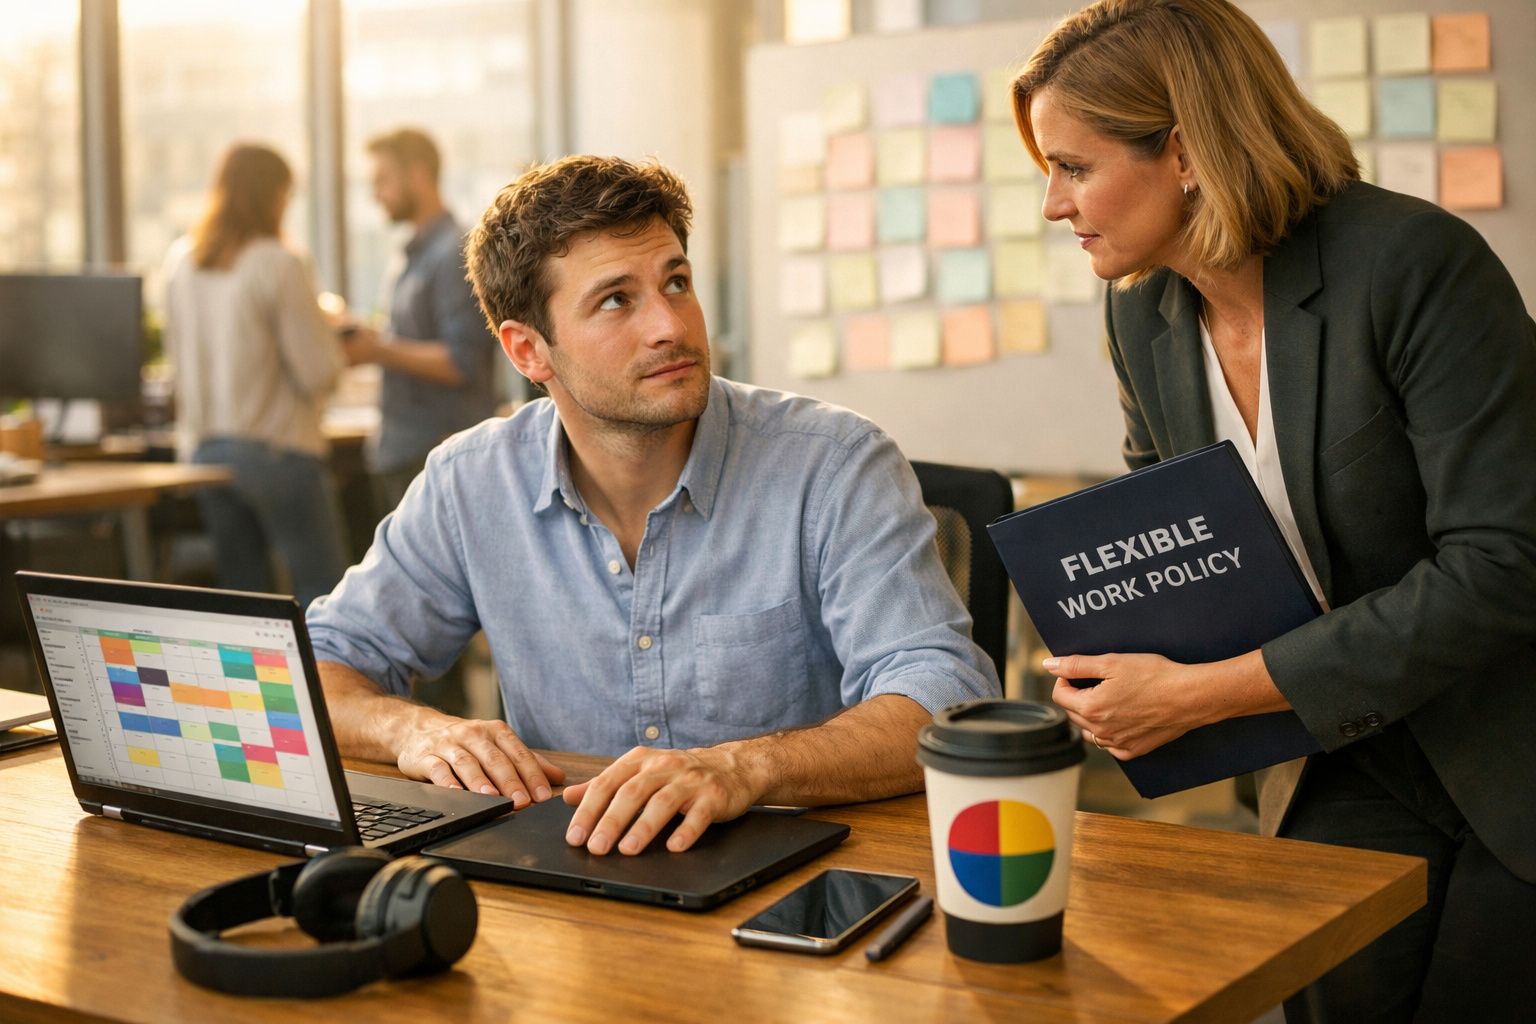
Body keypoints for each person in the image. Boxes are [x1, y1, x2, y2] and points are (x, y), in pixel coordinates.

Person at [1011, 2, 1536, 1020]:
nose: (1051, 203)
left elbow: (1506, 563)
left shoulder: (1414, 265)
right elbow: (1175, 545)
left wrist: (1201, 693)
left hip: (1499, 760)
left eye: (1074, 167)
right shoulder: (1142, 312)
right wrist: (1111, 665)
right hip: (1317, 759)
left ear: (1185, 150)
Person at [306, 155, 999, 859]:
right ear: (528, 350)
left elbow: (943, 697)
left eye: (676, 282)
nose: (670, 324)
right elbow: (318, 670)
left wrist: (743, 766)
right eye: (616, 300)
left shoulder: (834, 463)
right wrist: (414, 731)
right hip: (574, 878)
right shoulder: (470, 483)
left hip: (804, 878)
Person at [162, 143, 348, 608]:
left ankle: (250, 686)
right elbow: (318, 372)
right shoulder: (278, 261)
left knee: (244, 599)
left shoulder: (180, 263)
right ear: (273, 195)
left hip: (204, 454)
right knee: (324, 594)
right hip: (276, 452)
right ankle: (326, 685)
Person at [342, 127, 499, 514]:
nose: (375, 193)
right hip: (404, 449)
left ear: (418, 175)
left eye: (382, 180)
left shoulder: (454, 253)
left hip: (435, 452)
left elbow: (461, 362)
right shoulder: (409, 255)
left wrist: (376, 349)